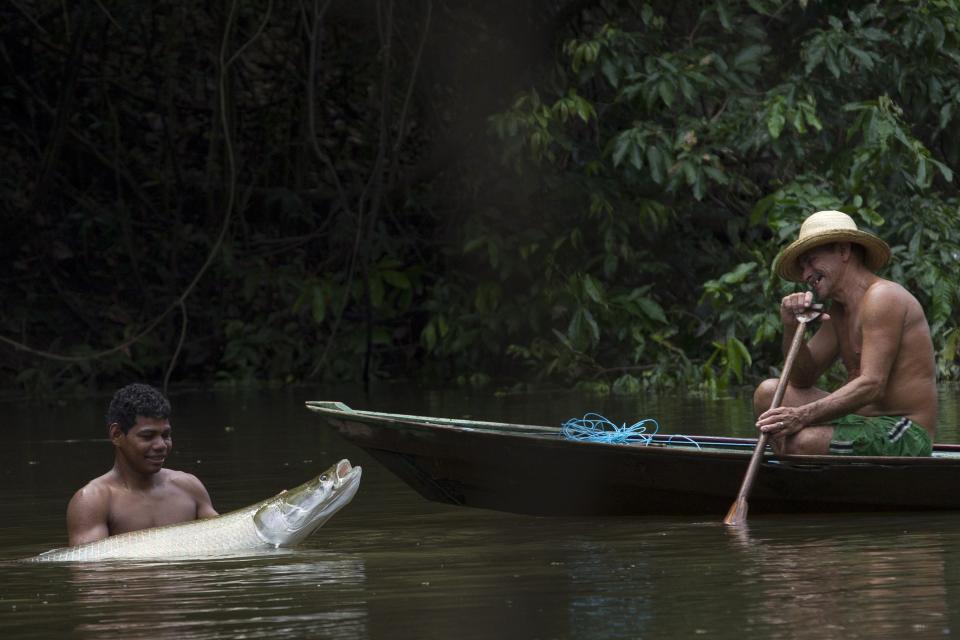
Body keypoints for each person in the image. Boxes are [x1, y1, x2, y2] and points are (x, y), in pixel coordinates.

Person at [753, 210, 938, 456]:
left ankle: (797, 466)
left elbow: (872, 385)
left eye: (811, 261)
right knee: (768, 393)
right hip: (859, 423)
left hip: (903, 430)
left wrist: (802, 416)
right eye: (802, 267)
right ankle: (800, 477)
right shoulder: (839, 311)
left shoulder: (882, 297)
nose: (807, 274)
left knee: (801, 442)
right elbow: (801, 379)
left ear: (843, 251)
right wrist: (790, 326)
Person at [66, 383, 218, 545]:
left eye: (166, 435)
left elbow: (224, 542)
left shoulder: (189, 487)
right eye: (147, 436)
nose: (161, 445)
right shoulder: (93, 500)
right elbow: (90, 568)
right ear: (116, 435)